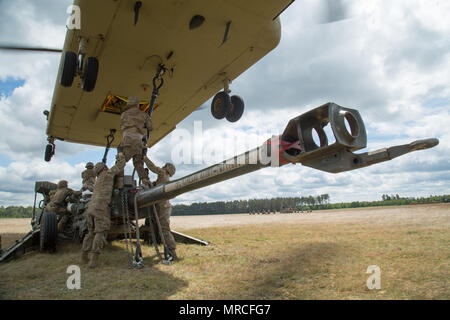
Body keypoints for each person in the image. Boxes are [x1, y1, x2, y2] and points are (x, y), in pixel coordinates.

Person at [81, 153, 126, 268]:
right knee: (100, 233)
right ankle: (94, 260)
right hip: (101, 208)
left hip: (91, 208)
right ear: (104, 168)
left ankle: (84, 256)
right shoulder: (108, 174)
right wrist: (120, 156)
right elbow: (121, 165)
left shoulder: (98, 181)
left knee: (90, 233)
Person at [143, 154, 178, 259]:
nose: (162, 167)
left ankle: (172, 252)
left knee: (164, 230)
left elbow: (153, 167)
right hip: (162, 206)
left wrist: (145, 158)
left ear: (167, 169)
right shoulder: (163, 179)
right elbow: (154, 187)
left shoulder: (163, 174)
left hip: (163, 206)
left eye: (164, 166)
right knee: (162, 229)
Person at [117, 96, 153, 188]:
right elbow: (151, 128)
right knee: (138, 163)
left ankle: (119, 182)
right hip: (138, 141)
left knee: (121, 161)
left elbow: (123, 125)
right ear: (137, 105)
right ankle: (145, 180)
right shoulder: (143, 114)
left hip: (127, 139)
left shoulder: (123, 114)